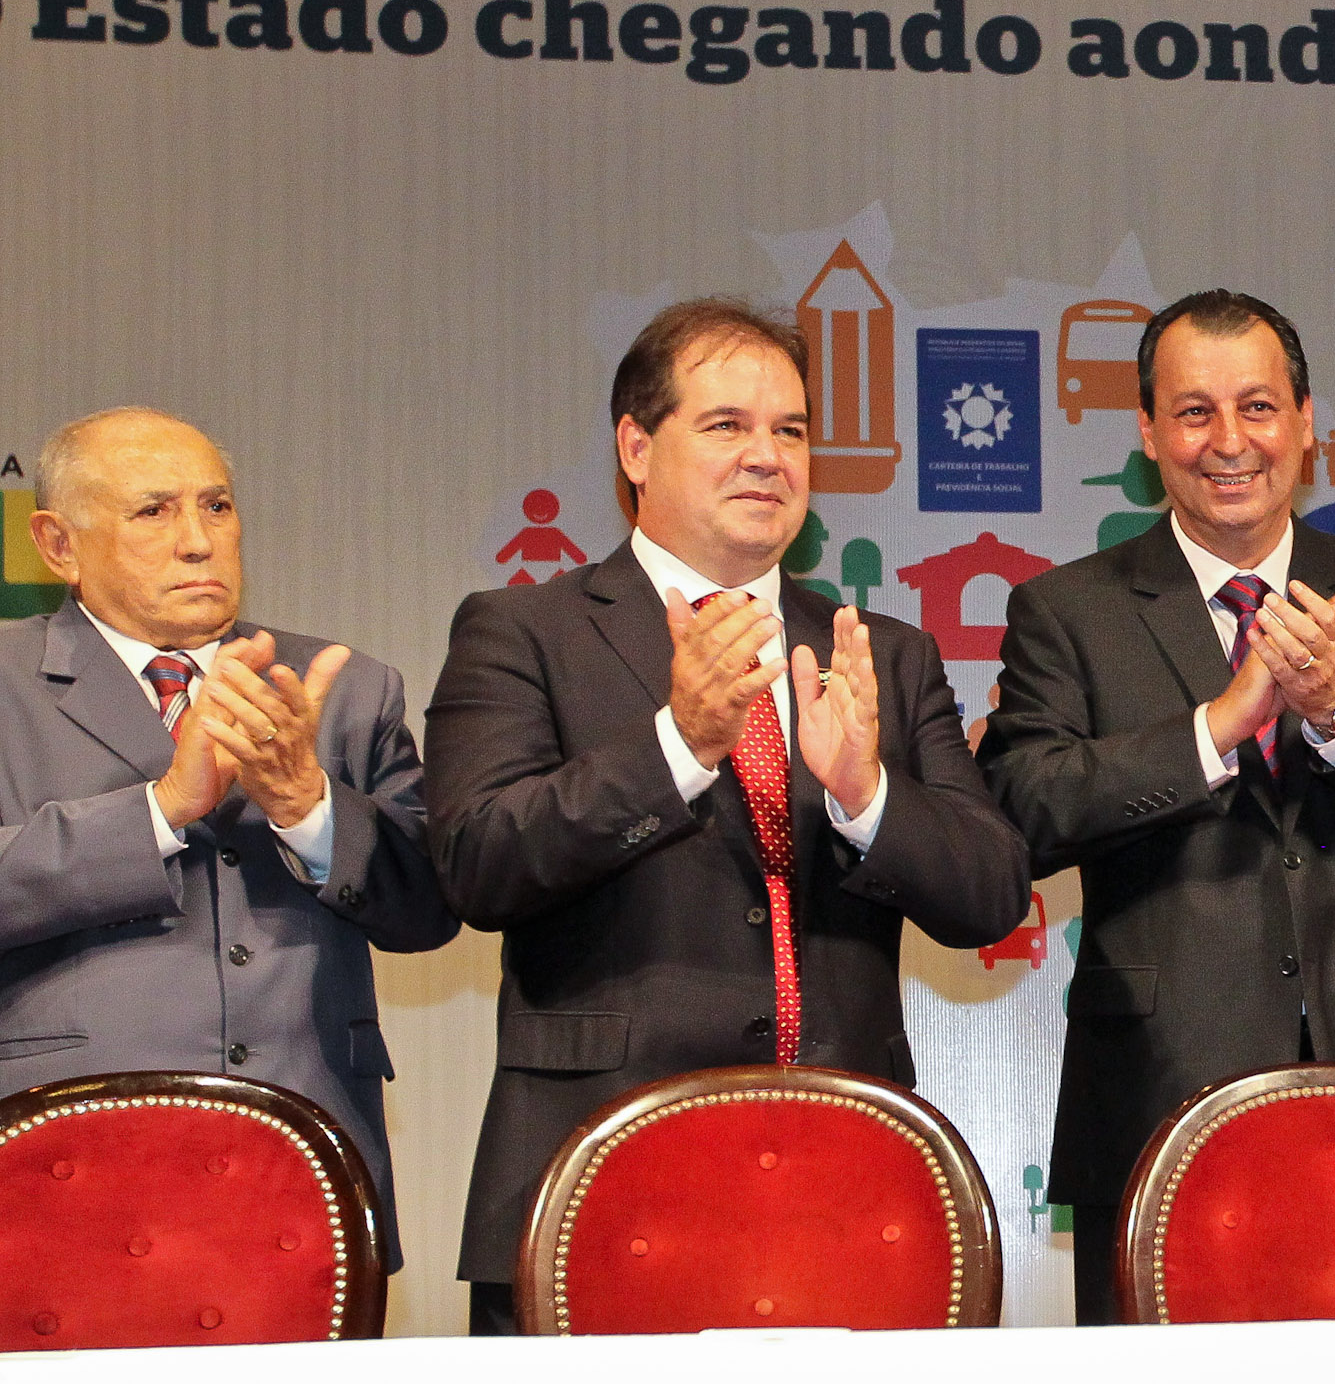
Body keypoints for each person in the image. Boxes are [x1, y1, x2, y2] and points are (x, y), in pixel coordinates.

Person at [425, 300, 1029, 1331]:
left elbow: (989, 892)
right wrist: (678, 747)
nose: (768, 457)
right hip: (597, 1179)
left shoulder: (877, 650)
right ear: (635, 446)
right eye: (726, 427)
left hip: (845, 1178)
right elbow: (480, 860)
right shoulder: (524, 631)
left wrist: (864, 797)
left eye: (789, 432)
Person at [980, 291, 1335, 1325]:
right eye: (1192, 413)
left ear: (1307, 422)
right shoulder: (1069, 610)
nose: (1229, 443)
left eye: (1258, 408)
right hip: (1152, 1093)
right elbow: (1020, 813)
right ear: (1146, 434)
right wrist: (1215, 728)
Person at [2, 407, 456, 1261]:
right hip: (61, 1164)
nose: (199, 541)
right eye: (153, 511)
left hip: (310, 1165)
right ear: (59, 545)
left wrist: (305, 803)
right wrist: (163, 807)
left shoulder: (345, 687)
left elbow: (431, 907)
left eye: (216, 506)